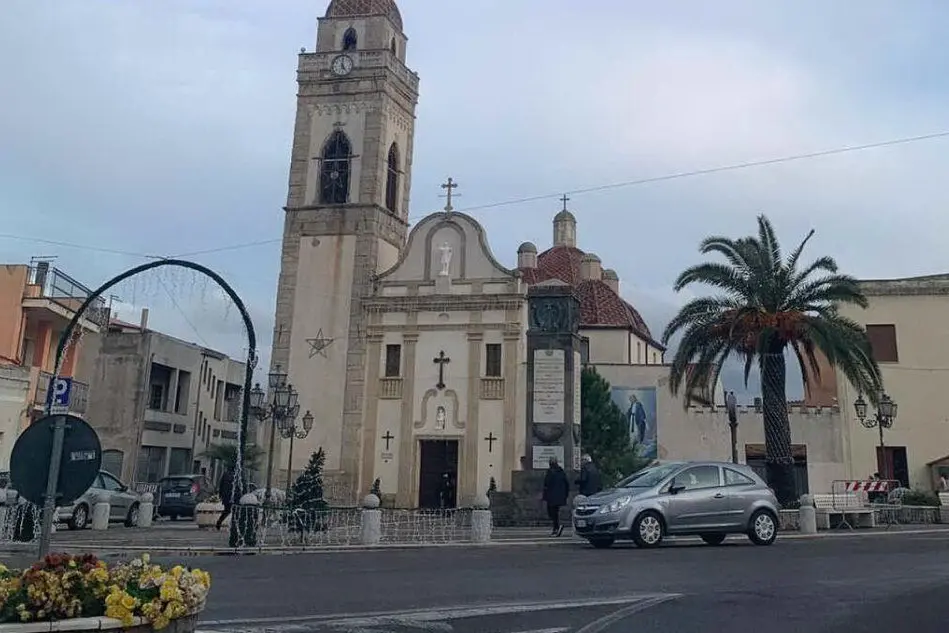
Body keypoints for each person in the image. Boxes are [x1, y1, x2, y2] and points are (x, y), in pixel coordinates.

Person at [542, 457, 569, 537]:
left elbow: (546, 483)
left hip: (552, 496)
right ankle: (556, 527)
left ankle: (556, 528)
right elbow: (566, 484)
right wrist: (565, 494)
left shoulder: (550, 472)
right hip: (558, 496)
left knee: (552, 513)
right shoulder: (561, 471)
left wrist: (545, 495)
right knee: (554, 513)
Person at [216, 466, 238, 530]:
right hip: (233, 496)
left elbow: (221, 484)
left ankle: (219, 521)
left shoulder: (225, 474)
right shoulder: (236, 475)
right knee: (234, 511)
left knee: (227, 510)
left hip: (226, 496)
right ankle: (233, 525)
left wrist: (220, 494)